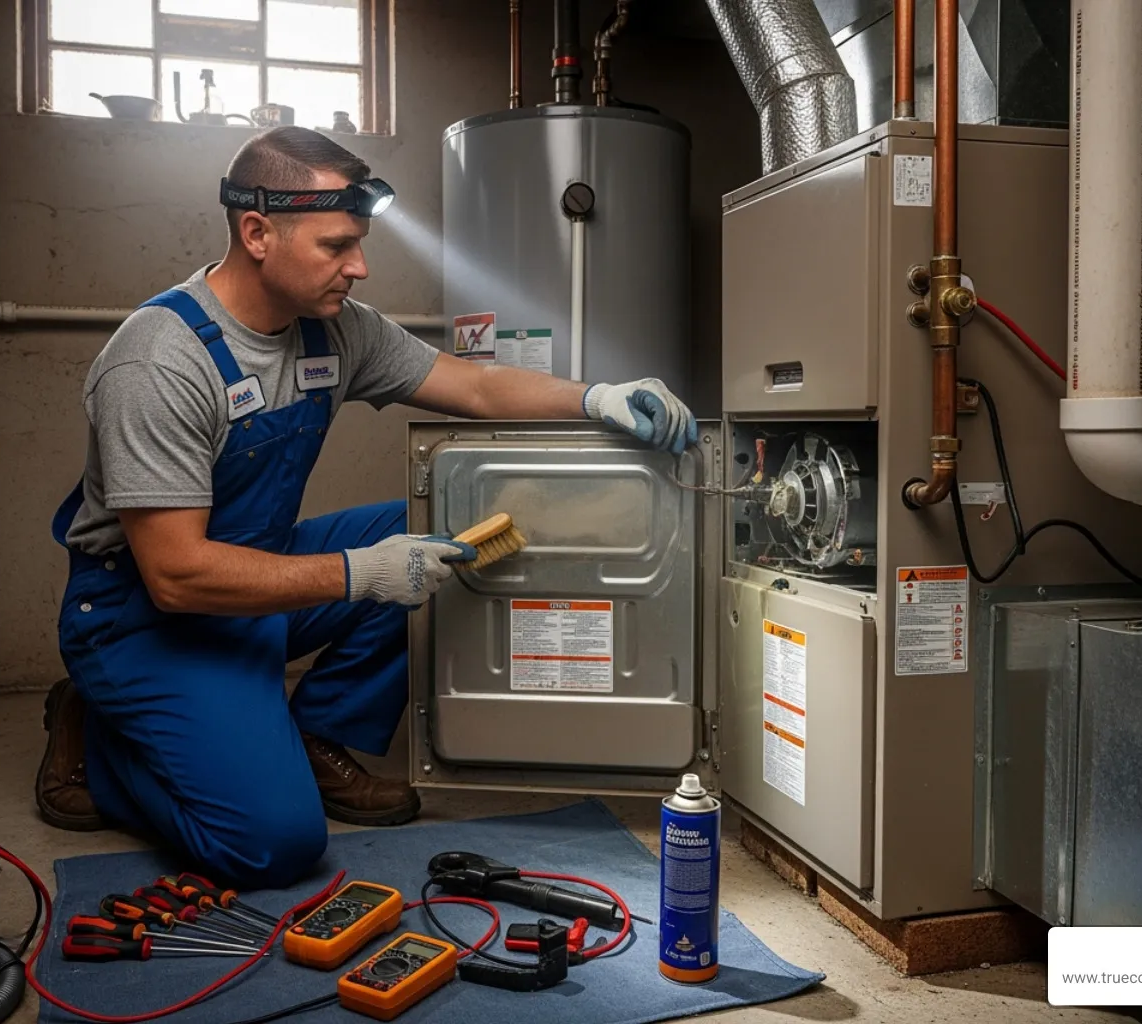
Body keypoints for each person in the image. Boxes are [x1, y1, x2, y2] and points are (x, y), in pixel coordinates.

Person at [35, 127, 697, 887]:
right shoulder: (160, 361)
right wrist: (357, 575)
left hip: (254, 573)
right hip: (142, 619)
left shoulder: (337, 330)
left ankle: (319, 736)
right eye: (337, 245)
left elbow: (476, 387)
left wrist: (597, 398)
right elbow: (177, 576)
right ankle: (98, 734)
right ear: (256, 233)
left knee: (438, 534)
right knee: (272, 845)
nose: (361, 266)